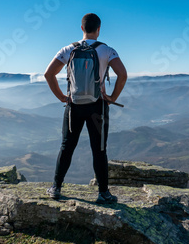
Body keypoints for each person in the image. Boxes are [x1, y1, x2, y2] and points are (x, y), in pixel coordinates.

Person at [44, 13, 127, 203]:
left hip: (73, 106)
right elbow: (122, 74)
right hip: (98, 106)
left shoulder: (68, 49)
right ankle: (103, 193)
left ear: (82, 28)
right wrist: (112, 97)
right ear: (98, 29)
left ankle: (56, 188)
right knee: (99, 149)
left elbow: (49, 74)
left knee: (67, 146)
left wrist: (62, 97)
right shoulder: (107, 50)